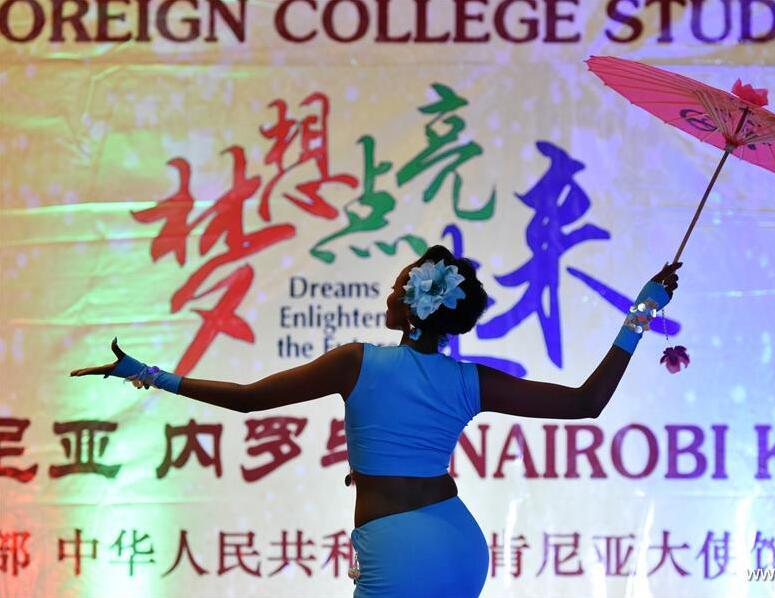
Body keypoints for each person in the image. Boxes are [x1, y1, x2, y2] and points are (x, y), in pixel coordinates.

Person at [70, 244, 681, 597]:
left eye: (399, 285)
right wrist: (640, 312)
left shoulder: (355, 362)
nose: (391, 292)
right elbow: (586, 402)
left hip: (398, 545)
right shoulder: (468, 381)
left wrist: (149, 374)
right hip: (458, 545)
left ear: (411, 303)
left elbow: (249, 398)